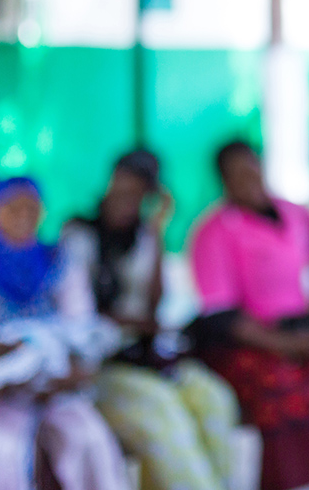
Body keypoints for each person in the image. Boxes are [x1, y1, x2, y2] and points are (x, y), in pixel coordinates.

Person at [188, 141, 309, 490]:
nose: (249, 178)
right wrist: (285, 344)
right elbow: (221, 315)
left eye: (252, 167)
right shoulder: (213, 231)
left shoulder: (294, 212)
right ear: (224, 181)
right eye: (236, 173)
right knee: (281, 386)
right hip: (251, 338)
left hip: (302, 326)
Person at [63, 149, 241, 490]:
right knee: (165, 414)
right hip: (103, 365)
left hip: (145, 358)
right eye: (123, 186)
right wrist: (132, 324)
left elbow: (155, 307)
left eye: (139, 191)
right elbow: (79, 314)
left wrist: (158, 230)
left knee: (214, 400)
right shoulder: (80, 235)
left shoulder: (144, 236)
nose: (128, 197)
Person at [0, 177, 129, 490]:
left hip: (57, 391)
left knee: (88, 438)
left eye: (32, 209)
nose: (23, 217)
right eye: (12, 209)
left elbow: (81, 329)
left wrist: (67, 373)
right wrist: (12, 374)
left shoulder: (57, 261)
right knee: (3, 451)